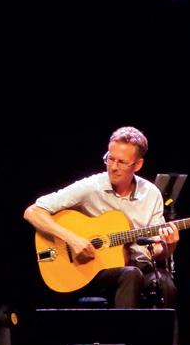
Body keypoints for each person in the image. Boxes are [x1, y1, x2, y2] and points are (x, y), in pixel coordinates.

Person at [23, 125, 179, 308]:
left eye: (122, 162)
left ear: (138, 165)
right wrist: (72, 239)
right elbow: (33, 212)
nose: (113, 167)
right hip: (95, 270)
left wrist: (169, 245)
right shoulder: (91, 187)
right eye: (110, 159)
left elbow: (157, 249)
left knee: (166, 286)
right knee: (130, 274)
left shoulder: (151, 194)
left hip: (139, 265)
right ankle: (124, 329)